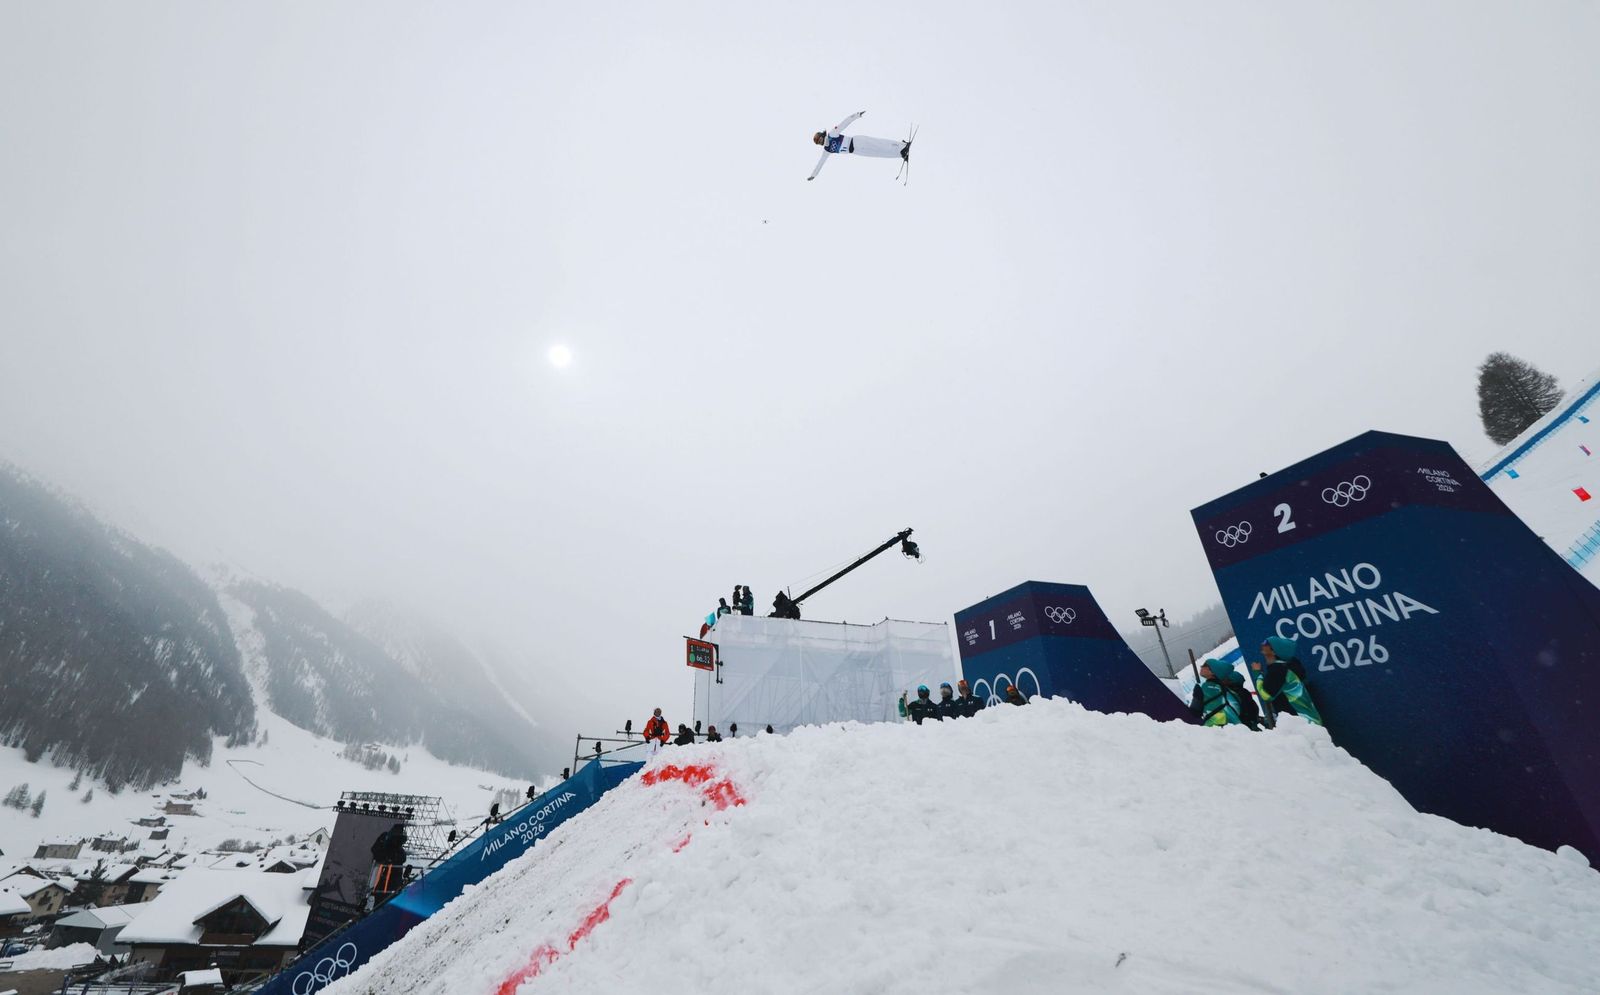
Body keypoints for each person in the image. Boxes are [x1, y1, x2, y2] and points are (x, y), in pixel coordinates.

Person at [807, 111, 910, 181]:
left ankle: (902, 145)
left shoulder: (832, 134)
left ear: (822, 135)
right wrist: (813, 175)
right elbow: (820, 164)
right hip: (856, 151)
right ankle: (901, 154)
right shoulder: (827, 150)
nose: (821, 142)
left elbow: (844, 123)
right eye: (819, 142)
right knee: (878, 153)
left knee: (879, 143)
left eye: (820, 139)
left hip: (856, 141)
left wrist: (856, 115)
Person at [1254, 637, 1324, 725]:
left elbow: (1266, 695)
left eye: (1265, 647)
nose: (1262, 651)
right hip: (1310, 720)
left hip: (1300, 724)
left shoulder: (1278, 670)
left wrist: (1258, 675)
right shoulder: (1290, 666)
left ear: (1274, 651)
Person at [1189, 660, 1247, 727]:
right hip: (1236, 727)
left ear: (1212, 672)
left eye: (1204, 665)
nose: (1201, 667)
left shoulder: (1202, 688)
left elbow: (1194, 713)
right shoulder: (1229, 691)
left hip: (1216, 729)